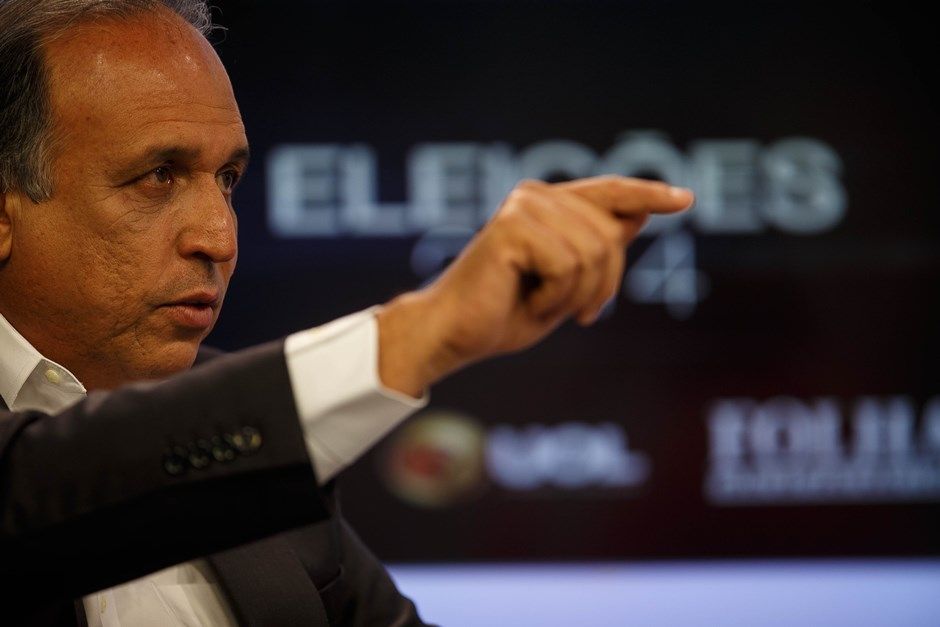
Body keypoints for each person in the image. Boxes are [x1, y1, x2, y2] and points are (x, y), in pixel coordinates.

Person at [0, 0, 694, 625]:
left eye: (228, 180)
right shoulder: (254, 429)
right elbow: (43, 489)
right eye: (159, 176)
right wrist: (423, 329)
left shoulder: (253, 440)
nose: (220, 237)